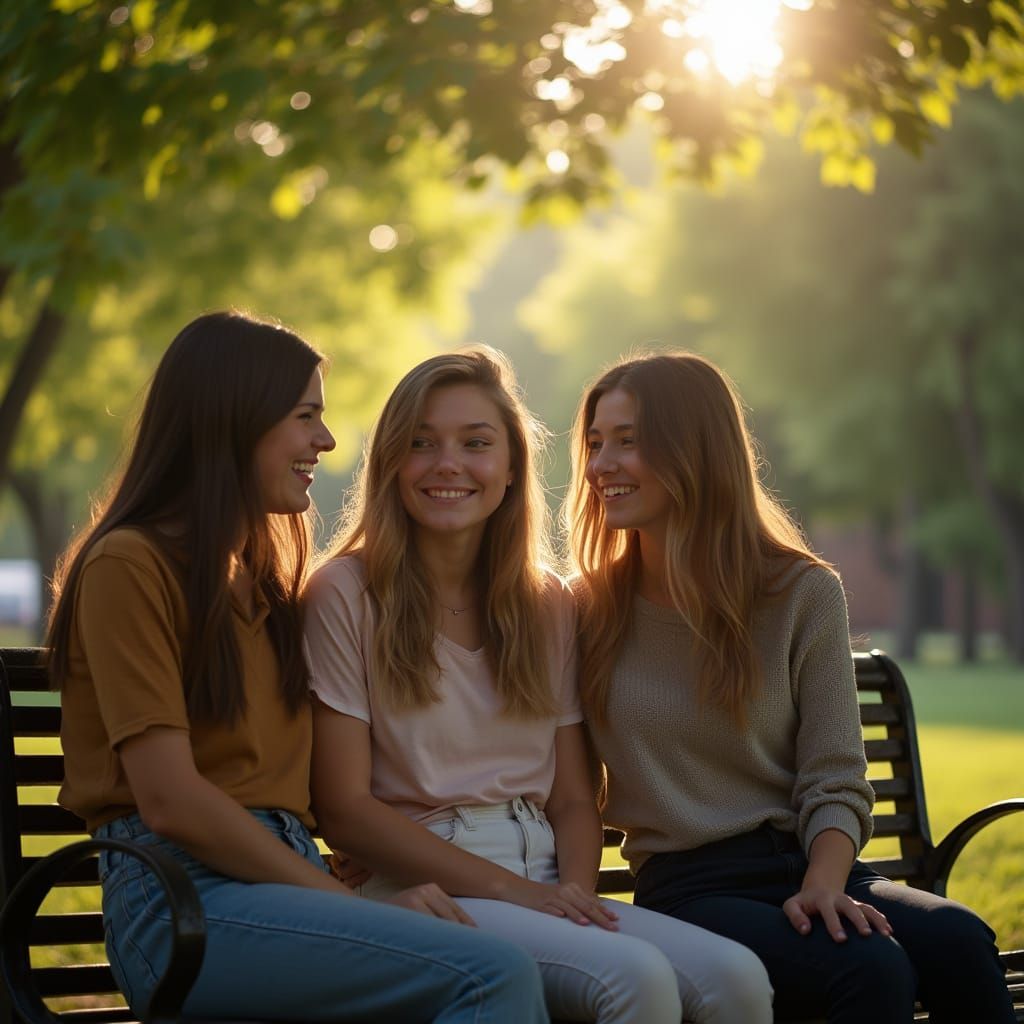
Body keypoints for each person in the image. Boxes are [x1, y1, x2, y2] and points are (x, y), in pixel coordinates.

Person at [48, 311, 549, 1024]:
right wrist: (344, 904)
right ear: (235, 421)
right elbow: (171, 801)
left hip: (281, 885)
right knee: (489, 975)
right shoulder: (132, 565)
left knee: (483, 960)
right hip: (182, 906)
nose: (327, 439)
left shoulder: (259, 582)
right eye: (305, 415)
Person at [304, 346, 773, 1024]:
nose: (448, 465)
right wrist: (518, 896)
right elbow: (344, 808)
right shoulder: (346, 592)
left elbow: (576, 799)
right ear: (390, 465)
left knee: (737, 979)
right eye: (421, 443)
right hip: (425, 889)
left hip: (547, 882)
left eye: (476, 443)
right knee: (635, 980)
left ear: (511, 466)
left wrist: (572, 898)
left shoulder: (546, 602)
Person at [565, 350, 1016, 1024]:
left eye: (628, 442)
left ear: (696, 450)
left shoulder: (801, 591)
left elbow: (836, 776)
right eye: (596, 443)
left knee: (959, 940)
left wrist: (823, 886)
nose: (601, 466)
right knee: (868, 968)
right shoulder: (585, 609)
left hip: (814, 862)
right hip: (692, 888)